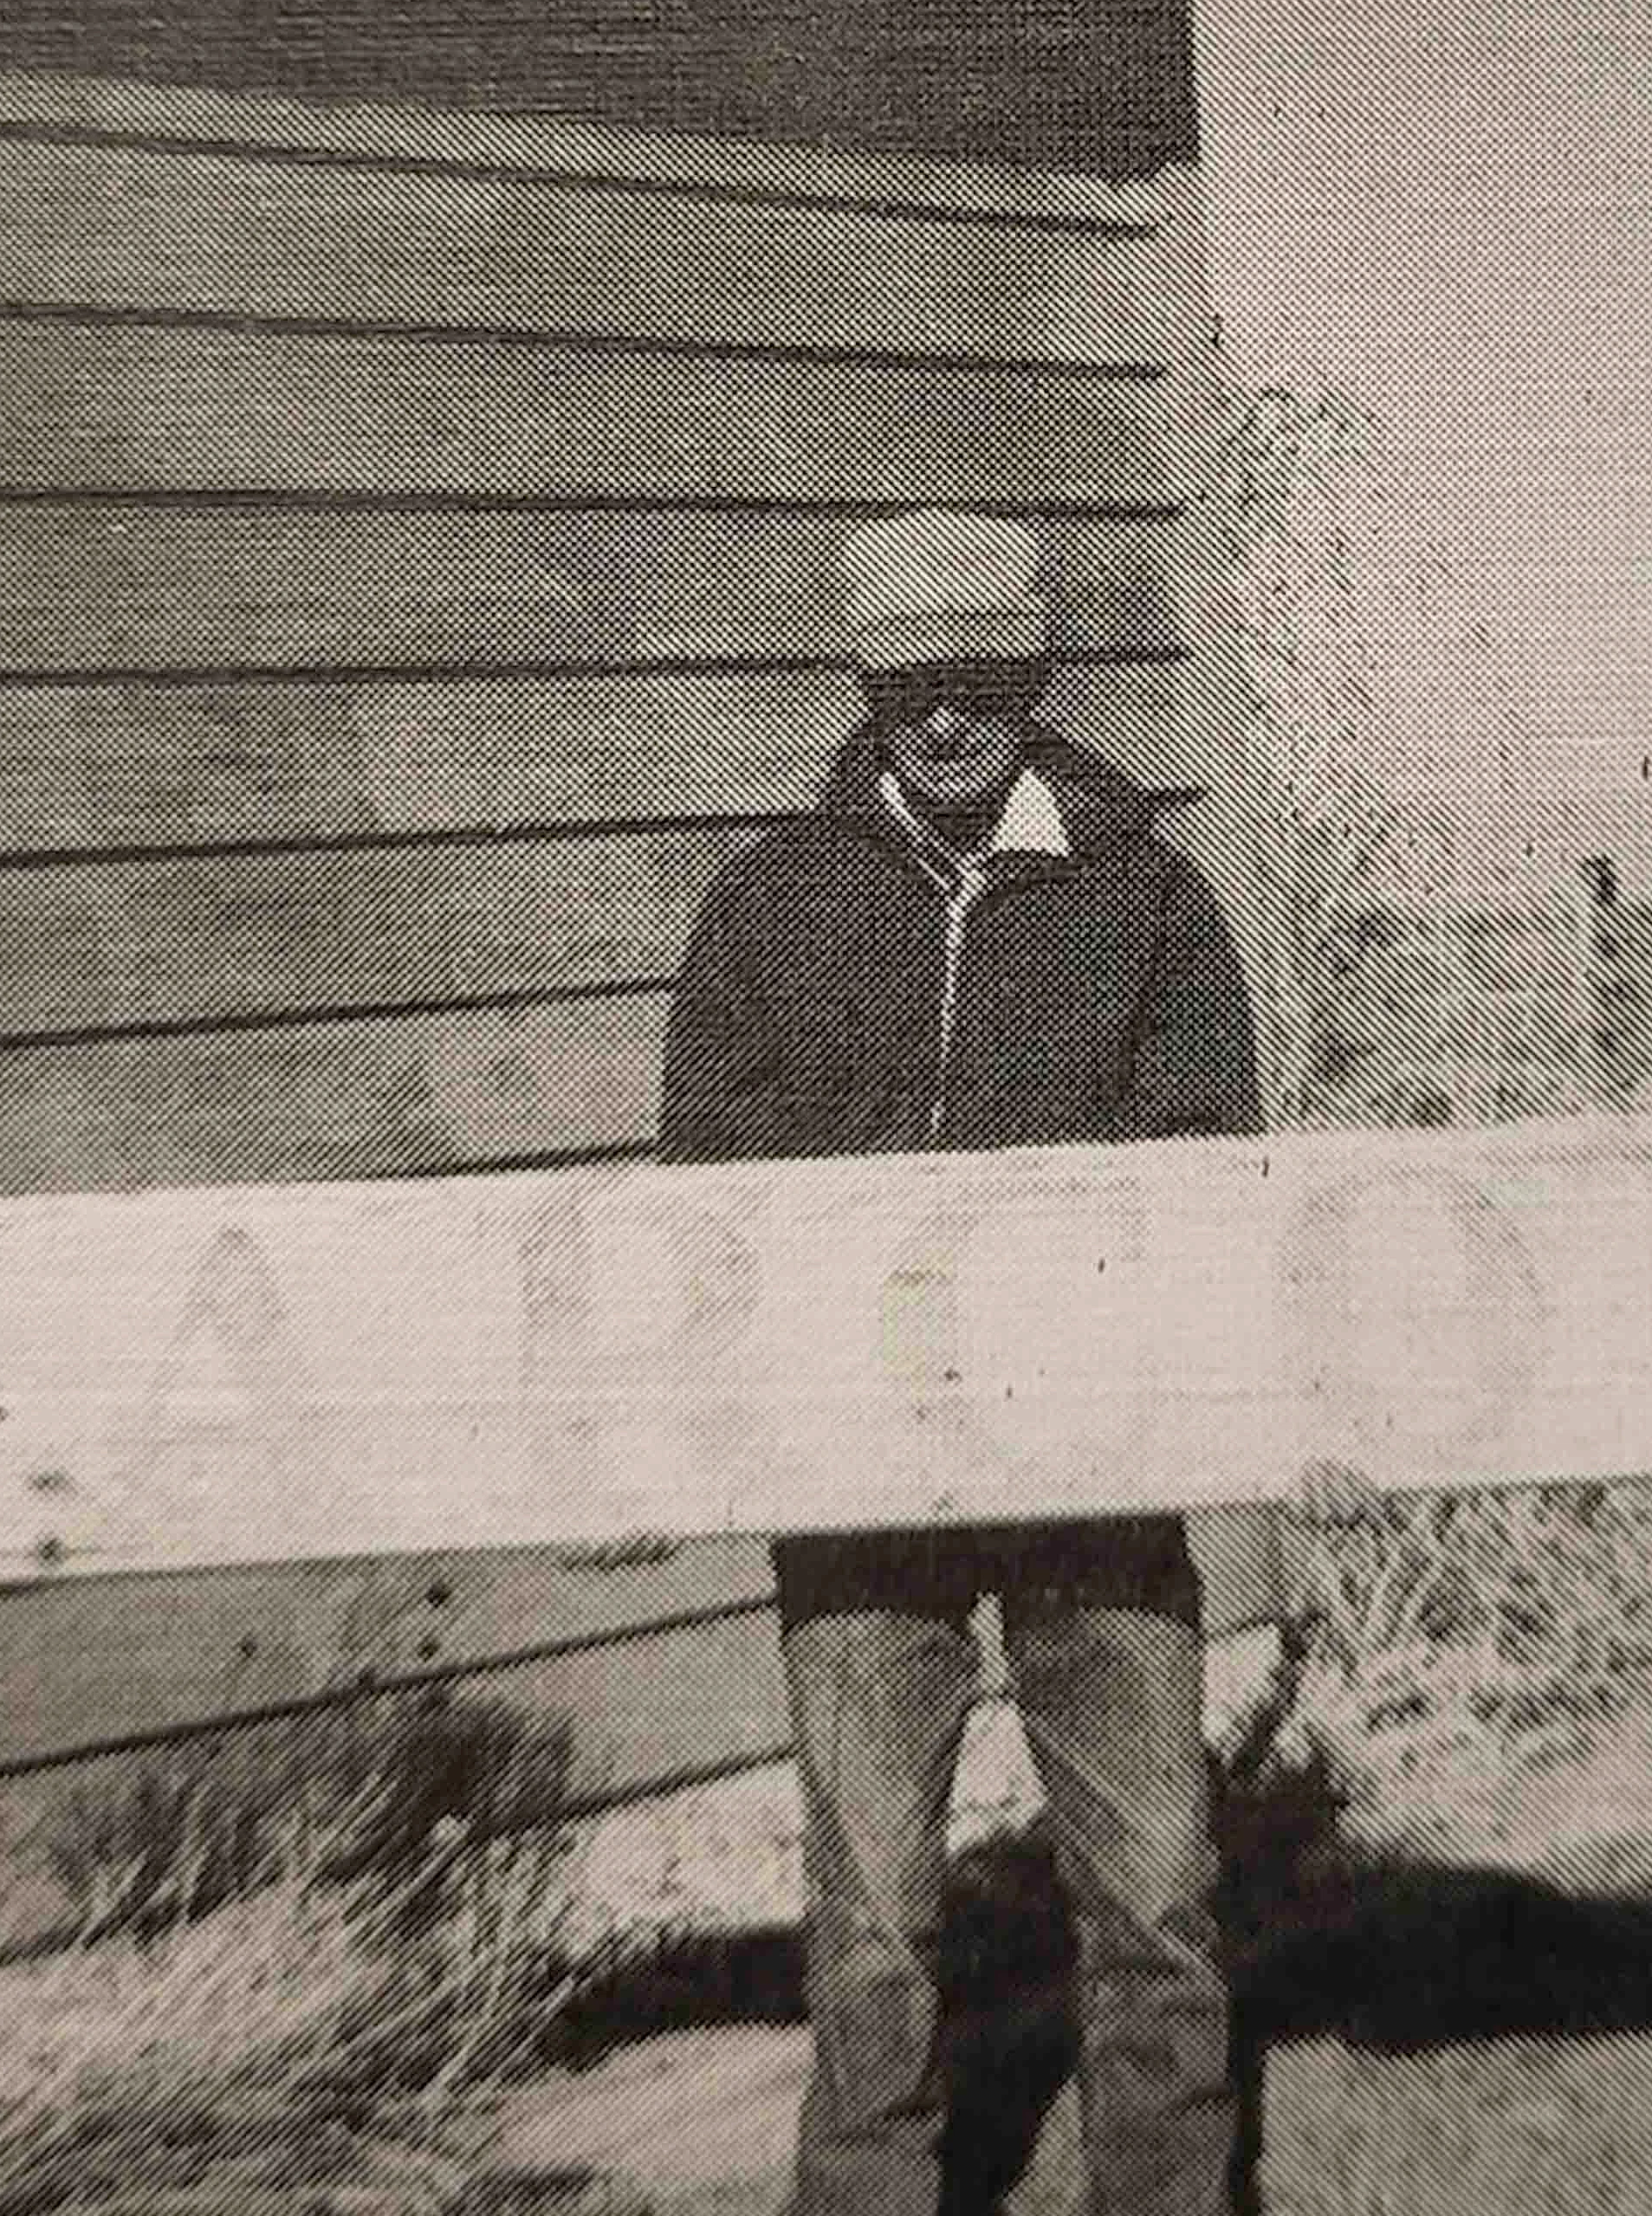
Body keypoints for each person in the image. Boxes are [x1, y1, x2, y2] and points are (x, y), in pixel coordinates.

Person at [657, 508, 1264, 2216]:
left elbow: (1215, 1167)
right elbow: (708, 1191)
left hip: (1097, 1468)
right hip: (860, 1482)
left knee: (1153, 1893)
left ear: (1037, 678)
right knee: (870, 1921)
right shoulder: (770, 905)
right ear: (865, 689)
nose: (944, 722)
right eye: (910, 685)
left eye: (981, 681)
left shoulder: (1145, 898)